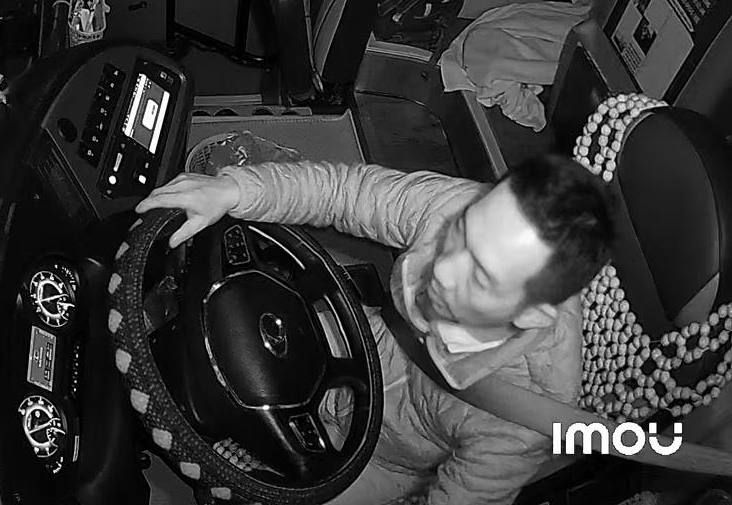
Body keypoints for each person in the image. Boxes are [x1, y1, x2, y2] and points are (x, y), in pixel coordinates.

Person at [135, 154, 614, 505]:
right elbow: (346, 192)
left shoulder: (520, 428)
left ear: (531, 316)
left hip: (383, 460)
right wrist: (235, 190)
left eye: (482, 277)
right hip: (358, 341)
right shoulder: (461, 206)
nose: (444, 270)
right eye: (462, 232)